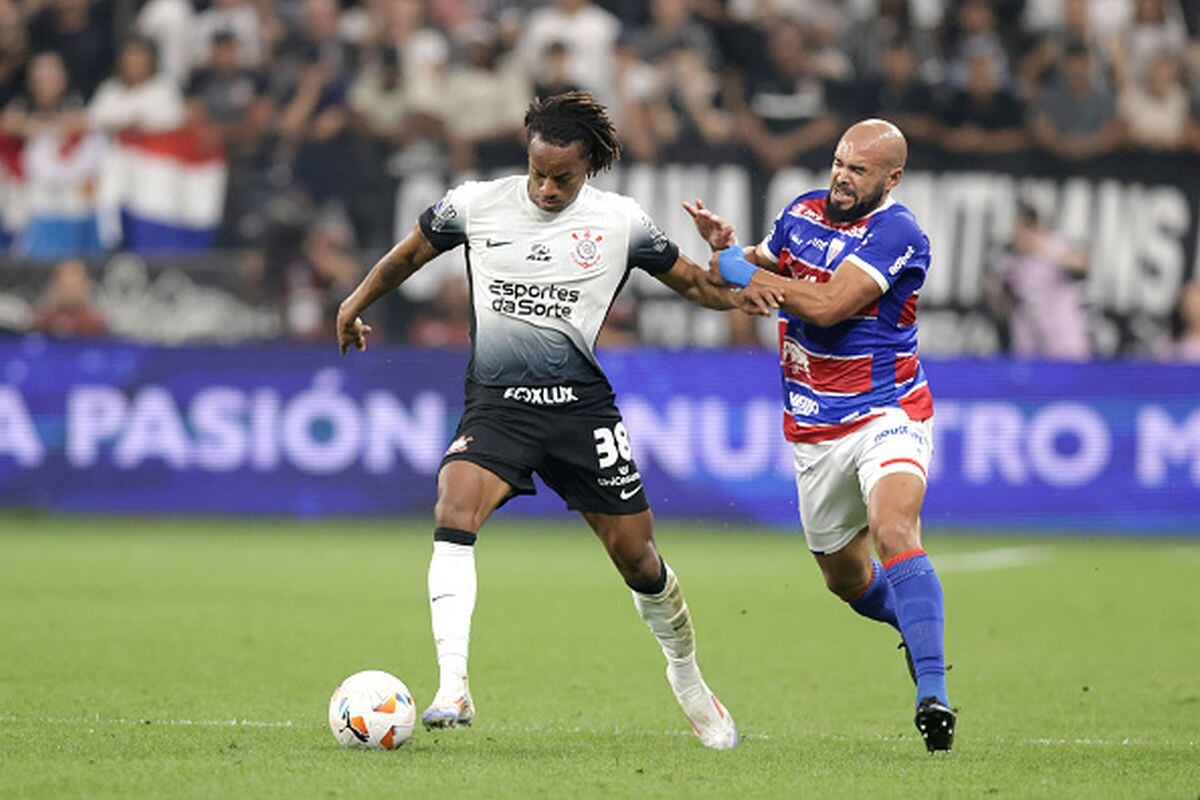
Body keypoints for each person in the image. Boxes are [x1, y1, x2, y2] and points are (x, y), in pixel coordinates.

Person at [335, 91, 774, 749]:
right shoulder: (475, 204)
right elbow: (410, 253)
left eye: (561, 177)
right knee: (453, 507)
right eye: (537, 171)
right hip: (498, 404)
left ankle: (687, 678)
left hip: (580, 411)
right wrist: (354, 300)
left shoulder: (620, 222)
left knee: (639, 560)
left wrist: (728, 259)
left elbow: (706, 290)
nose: (544, 187)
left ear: (590, 165)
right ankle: (452, 684)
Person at [695, 119, 956, 752]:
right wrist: (727, 253)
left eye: (859, 169)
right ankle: (917, 626)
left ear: (891, 178)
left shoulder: (898, 232)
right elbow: (738, 277)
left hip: (887, 412)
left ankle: (932, 690)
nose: (841, 175)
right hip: (814, 430)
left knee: (894, 529)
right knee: (844, 579)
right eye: (839, 161)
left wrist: (746, 273)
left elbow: (829, 305)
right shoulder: (801, 212)